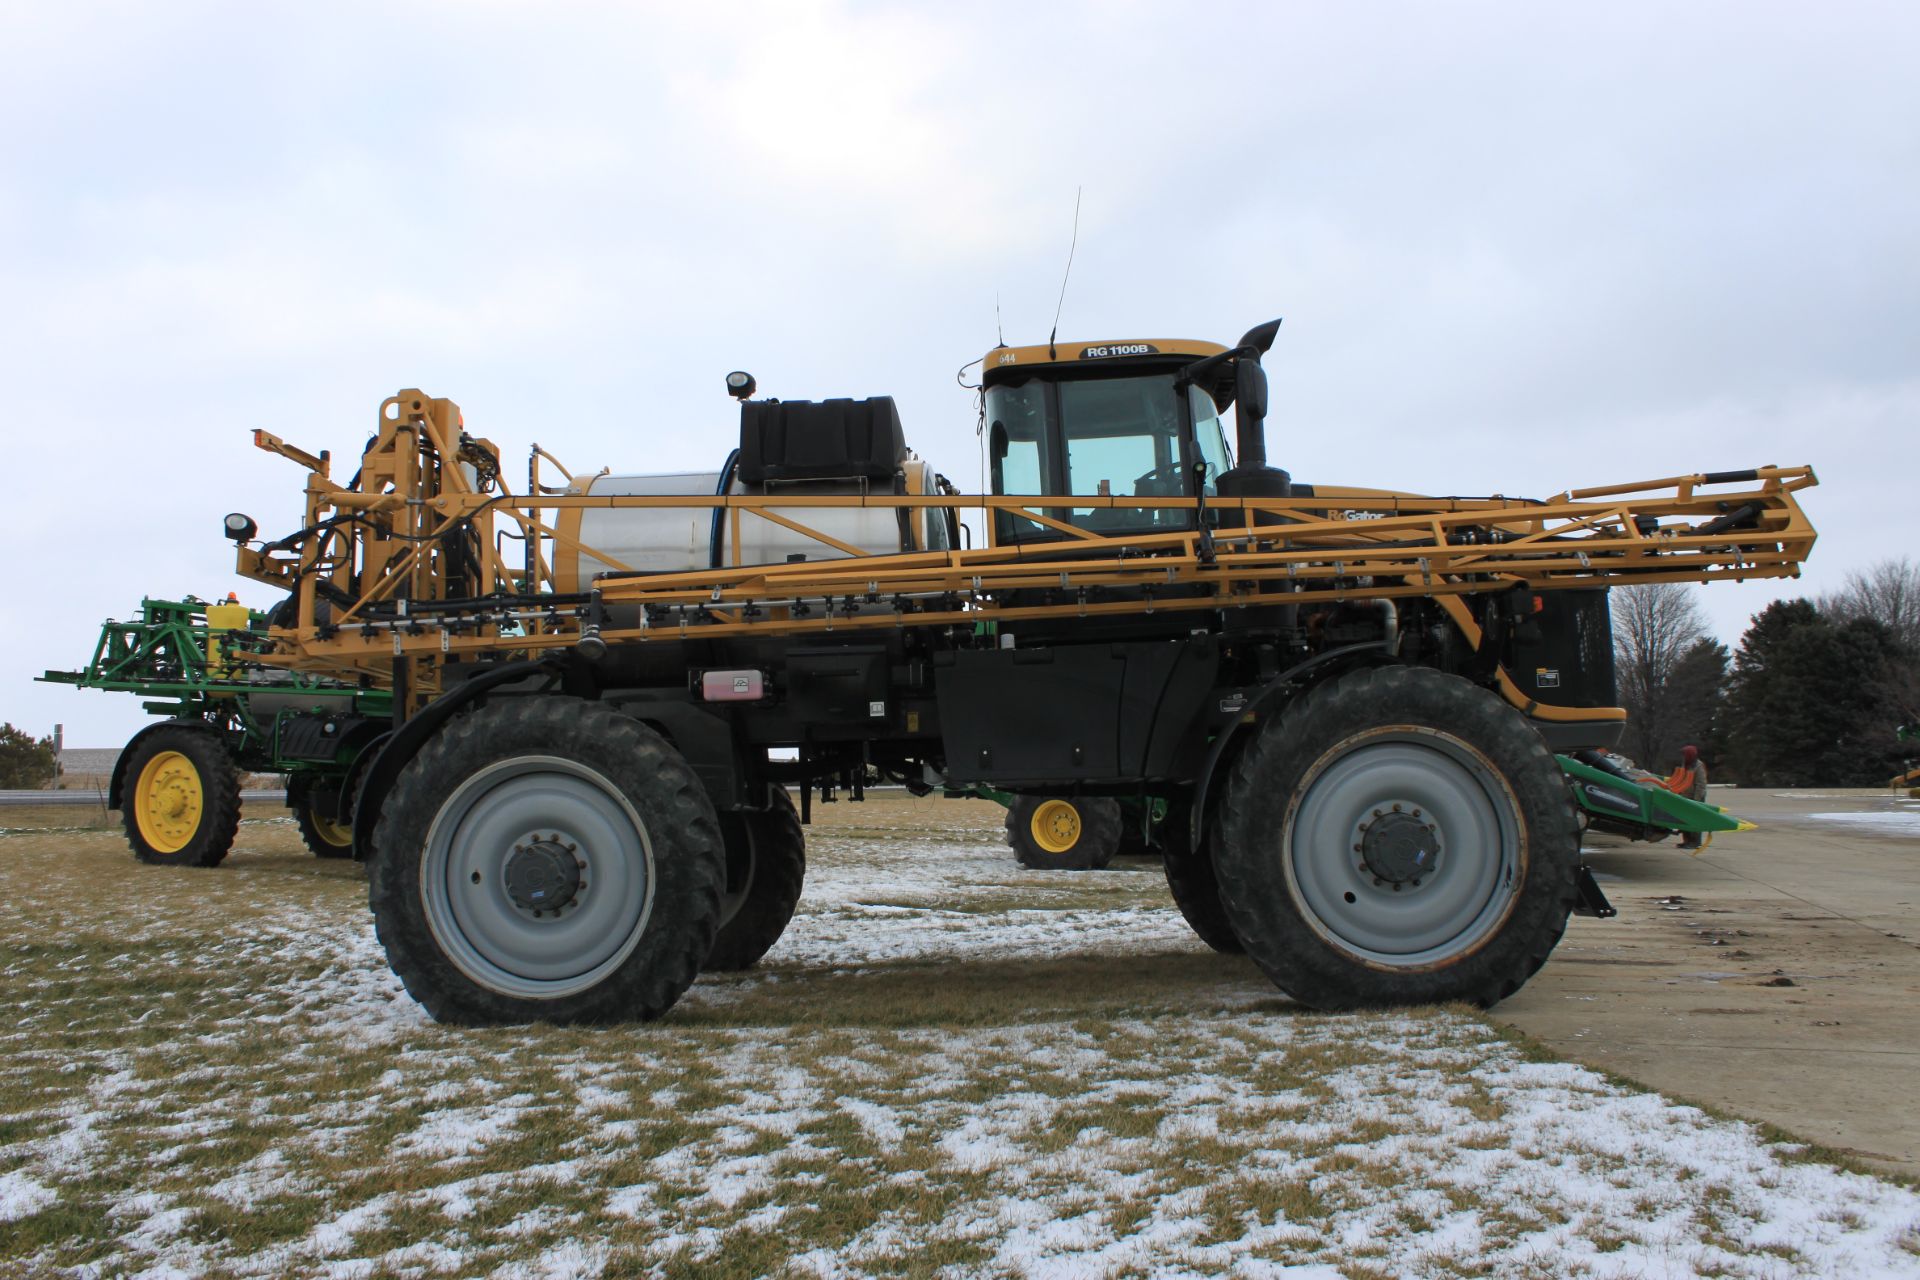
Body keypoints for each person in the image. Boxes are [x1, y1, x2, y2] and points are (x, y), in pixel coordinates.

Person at [1662, 745, 1710, 849]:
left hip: (1695, 798)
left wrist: (1697, 801)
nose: (1683, 757)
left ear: (1690, 755)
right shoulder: (1686, 764)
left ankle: (1695, 842)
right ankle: (1687, 841)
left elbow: (1701, 784)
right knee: (1685, 820)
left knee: (1694, 820)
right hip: (1685, 796)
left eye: (1685, 754)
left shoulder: (1698, 766)